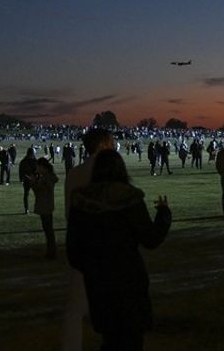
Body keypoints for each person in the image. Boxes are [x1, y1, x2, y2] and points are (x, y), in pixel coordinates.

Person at [67, 150, 171, 351]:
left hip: (97, 280)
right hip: (128, 277)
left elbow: (74, 249)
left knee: (110, 338)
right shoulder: (129, 198)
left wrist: (92, 267)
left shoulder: (81, 201)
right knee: (131, 338)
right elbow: (151, 238)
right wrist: (164, 214)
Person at [62, 128, 116, 351]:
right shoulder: (110, 173)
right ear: (103, 145)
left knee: (75, 308)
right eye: (110, 143)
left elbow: (68, 212)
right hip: (107, 244)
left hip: (81, 243)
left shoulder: (74, 173)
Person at [32, 158, 60, 259]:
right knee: (48, 230)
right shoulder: (47, 177)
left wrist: (34, 182)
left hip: (45, 205)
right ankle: (51, 251)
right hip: (47, 205)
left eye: (38, 166)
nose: (37, 168)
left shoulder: (46, 178)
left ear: (43, 167)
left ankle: (51, 252)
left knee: (48, 230)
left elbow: (40, 191)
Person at [19, 148, 39, 214]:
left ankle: (26, 209)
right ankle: (37, 207)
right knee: (36, 195)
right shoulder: (35, 161)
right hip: (33, 179)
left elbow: (21, 170)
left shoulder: (23, 161)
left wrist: (21, 178)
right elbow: (38, 171)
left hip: (26, 179)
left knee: (26, 195)